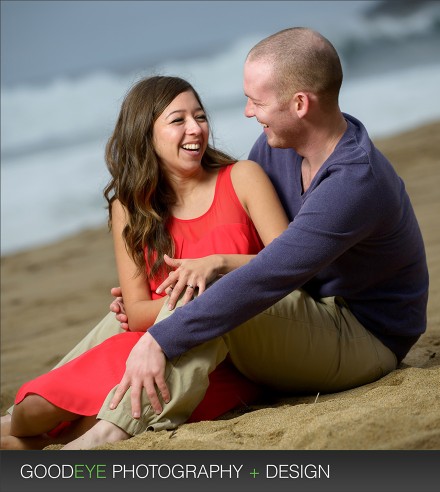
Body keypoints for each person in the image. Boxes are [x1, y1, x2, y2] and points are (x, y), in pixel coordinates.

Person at [63, 27, 429, 449]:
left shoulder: (354, 180)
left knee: (210, 295)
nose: (248, 113)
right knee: (164, 302)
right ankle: (32, 409)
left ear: (299, 104)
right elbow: (253, 243)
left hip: (364, 338)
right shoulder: (278, 146)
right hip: (307, 310)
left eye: (257, 101)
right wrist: (145, 307)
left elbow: (270, 274)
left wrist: (159, 337)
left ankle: (109, 431)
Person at [1, 76, 289, 449]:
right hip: (153, 343)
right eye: (177, 120)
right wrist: (167, 307)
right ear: (145, 134)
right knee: (31, 412)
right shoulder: (129, 207)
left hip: (233, 353)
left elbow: (289, 263)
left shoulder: (242, 178)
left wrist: (214, 269)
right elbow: (135, 313)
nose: (195, 129)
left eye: (199, 117)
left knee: (71, 419)